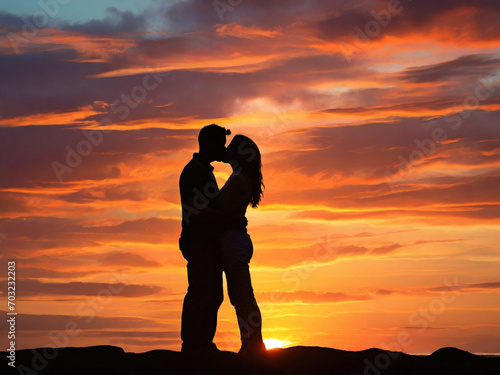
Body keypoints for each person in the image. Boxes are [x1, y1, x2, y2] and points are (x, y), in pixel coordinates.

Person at [178, 124, 246, 353]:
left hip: (204, 241)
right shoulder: (196, 172)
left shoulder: (201, 170)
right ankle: (194, 345)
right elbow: (199, 212)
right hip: (199, 242)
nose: (224, 148)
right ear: (209, 144)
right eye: (220, 144)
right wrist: (229, 220)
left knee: (211, 293)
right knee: (201, 291)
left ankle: (201, 343)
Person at [218, 134, 266, 358]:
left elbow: (224, 212)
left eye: (230, 147)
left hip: (234, 241)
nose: (225, 149)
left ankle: (255, 345)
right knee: (240, 298)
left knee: (244, 297)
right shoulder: (239, 176)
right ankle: (249, 344)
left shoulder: (238, 178)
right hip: (236, 240)